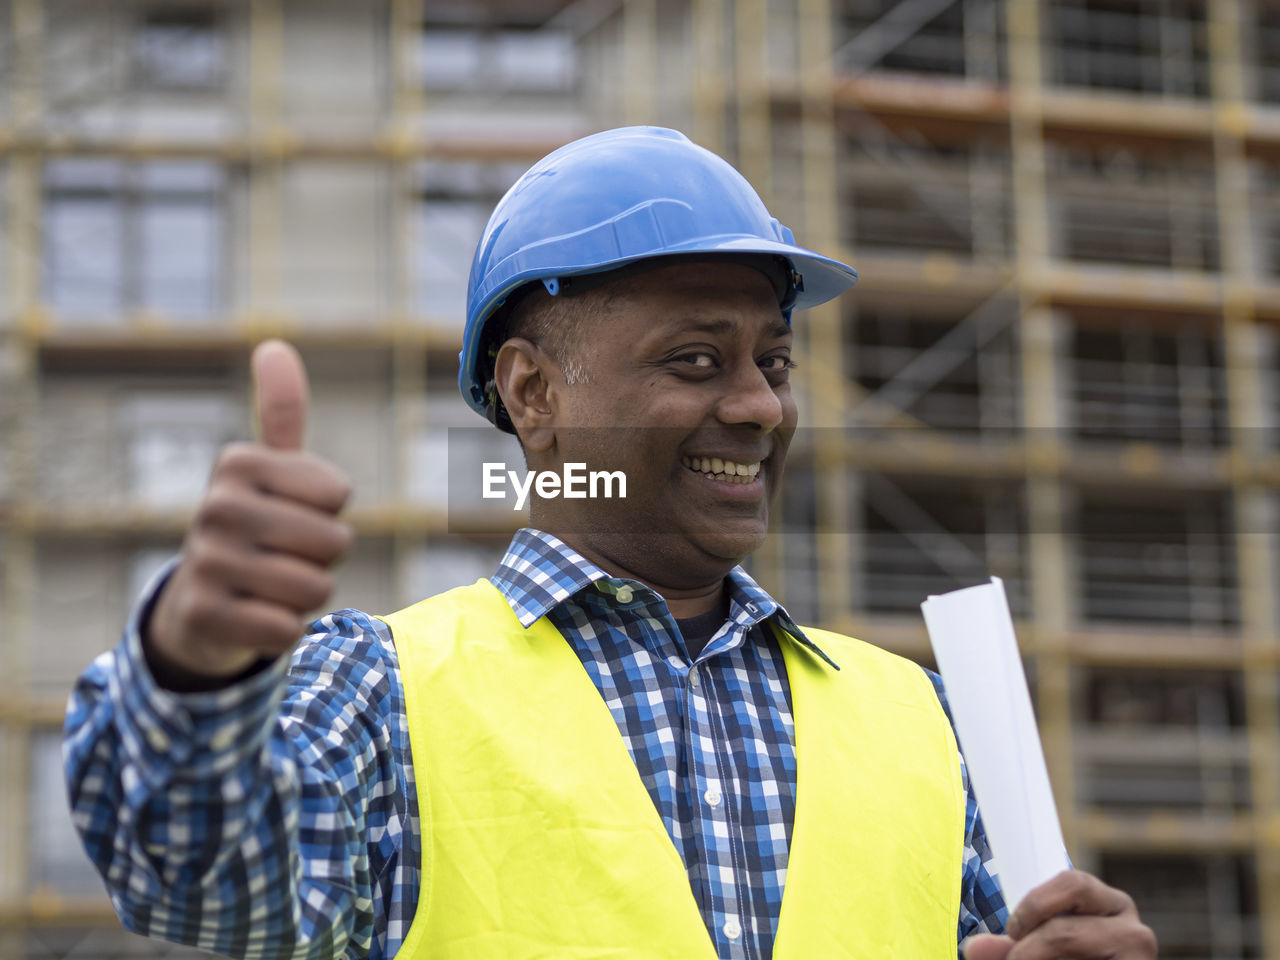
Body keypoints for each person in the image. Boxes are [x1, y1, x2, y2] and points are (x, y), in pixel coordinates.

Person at [64, 127, 1156, 960]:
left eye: (771, 365)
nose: (758, 408)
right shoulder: (375, 691)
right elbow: (209, 895)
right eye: (694, 361)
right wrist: (193, 672)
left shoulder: (919, 721)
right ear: (533, 393)